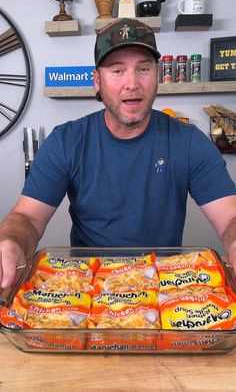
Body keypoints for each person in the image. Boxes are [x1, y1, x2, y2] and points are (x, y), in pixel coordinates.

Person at [0, 18, 236, 289]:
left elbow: (230, 217)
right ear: (97, 81)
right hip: (87, 290)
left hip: (163, 292)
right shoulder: (65, 141)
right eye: (117, 70)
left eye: (143, 69)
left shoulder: (189, 142)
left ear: (157, 76)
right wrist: (10, 241)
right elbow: (27, 218)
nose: (132, 83)